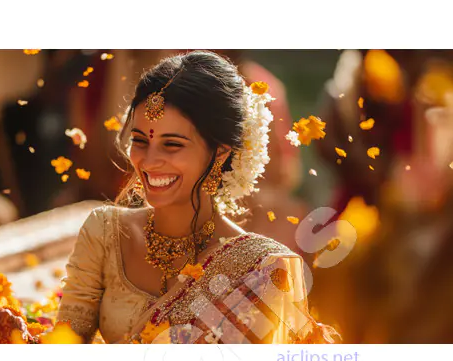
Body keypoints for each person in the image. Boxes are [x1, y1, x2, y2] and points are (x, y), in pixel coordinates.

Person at [56, 51, 339, 344]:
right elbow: (65, 348)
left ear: (219, 153)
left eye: (172, 144)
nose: (150, 162)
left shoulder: (262, 266)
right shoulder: (104, 232)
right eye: (140, 141)